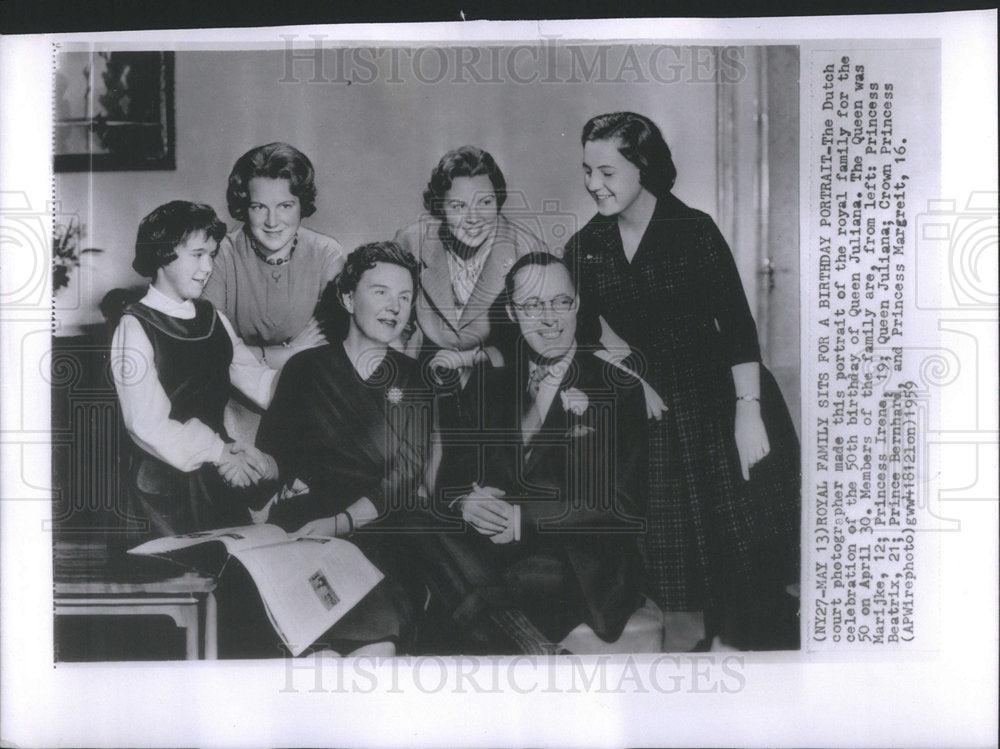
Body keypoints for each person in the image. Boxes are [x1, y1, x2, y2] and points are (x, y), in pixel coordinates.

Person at [563, 111, 800, 651]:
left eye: (607, 171)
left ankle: (751, 657)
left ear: (642, 166)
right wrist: (630, 376)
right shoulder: (586, 247)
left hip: (722, 399)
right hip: (655, 406)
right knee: (676, 564)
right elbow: (580, 339)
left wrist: (748, 412)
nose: (593, 184)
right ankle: (691, 663)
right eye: (586, 171)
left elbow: (737, 325)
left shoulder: (693, 229)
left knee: (746, 563)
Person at [422, 252, 648, 654]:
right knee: (420, 526)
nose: (549, 319)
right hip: (489, 551)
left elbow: (622, 504)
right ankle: (539, 652)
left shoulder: (617, 388)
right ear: (511, 311)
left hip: (577, 562)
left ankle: (484, 649)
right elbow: (449, 483)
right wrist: (466, 503)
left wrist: (522, 519)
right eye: (532, 305)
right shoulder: (487, 386)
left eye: (561, 302)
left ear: (577, 303)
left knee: (465, 597)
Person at [252, 241, 431, 656]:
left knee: (375, 647)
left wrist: (344, 522)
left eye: (405, 297)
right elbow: (276, 457)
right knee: (317, 652)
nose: (395, 307)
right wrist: (254, 466)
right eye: (381, 292)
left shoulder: (415, 378)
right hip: (309, 523)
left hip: (382, 524)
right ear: (349, 298)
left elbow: (406, 473)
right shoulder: (305, 369)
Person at [110, 200, 279, 541]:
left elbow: (256, 379)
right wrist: (219, 452)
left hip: (218, 474)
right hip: (163, 490)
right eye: (198, 254)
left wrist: (312, 386)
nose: (207, 267)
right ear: (162, 254)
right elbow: (147, 423)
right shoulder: (134, 325)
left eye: (212, 255)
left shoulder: (212, 317)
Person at [202, 142, 345, 442]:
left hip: (314, 405)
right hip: (237, 410)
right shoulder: (220, 256)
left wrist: (253, 354)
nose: (271, 221)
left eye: (284, 206)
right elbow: (213, 354)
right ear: (244, 207)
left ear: (301, 205)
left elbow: (332, 354)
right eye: (258, 207)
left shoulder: (327, 255)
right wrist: (292, 351)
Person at [394, 145, 547, 382]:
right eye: (458, 206)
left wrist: (469, 359)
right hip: (426, 373)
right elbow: (396, 324)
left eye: (485, 203)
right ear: (440, 208)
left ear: (498, 199)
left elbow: (540, 340)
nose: (473, 218)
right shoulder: (411, 242)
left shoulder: (529, 251)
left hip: (502, 376)